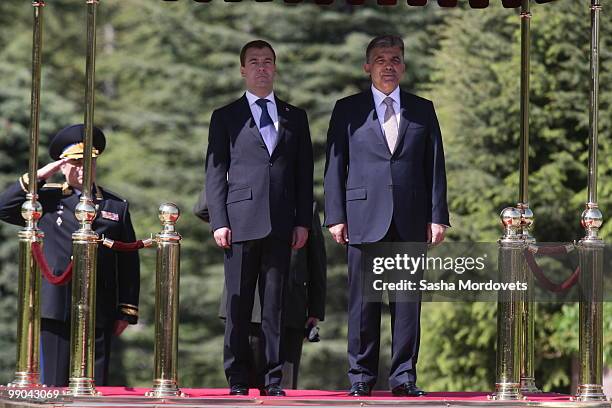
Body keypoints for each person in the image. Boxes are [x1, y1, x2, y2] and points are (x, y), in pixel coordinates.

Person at [323, 35, 449, 397]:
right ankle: (361, 377)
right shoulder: (347, 109)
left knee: (407, 304)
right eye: (380, 59)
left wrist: (437, 215)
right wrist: (336, 215)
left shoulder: (422, 109)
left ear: (404, 66)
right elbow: (334, 167)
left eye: (395, 58)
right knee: (363, 304)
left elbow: (435, 165)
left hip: (411, 218)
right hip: (363, 217)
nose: (388, 65)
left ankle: (404, 377)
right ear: (367, 67)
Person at [205, 40, 314, 396]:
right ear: (242, 69)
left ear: (275, 68)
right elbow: (215, 173)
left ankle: (272, 380)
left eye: (268, 62)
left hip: (281, 224)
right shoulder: (225, 117)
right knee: (238, 307)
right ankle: (237, 379)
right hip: (239, 222)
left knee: (275, 308)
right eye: (254, 62)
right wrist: (219, 220)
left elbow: (303, 174)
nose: (262, 68)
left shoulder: (295, 117)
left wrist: (303, 221)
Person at [0, 124, 140, 387]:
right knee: (54, 382)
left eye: (89, 161)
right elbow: (5, 208)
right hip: (57, 304)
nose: (83, 168)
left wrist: (127, 309)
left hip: (99, 304)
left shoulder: (114, 206)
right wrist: (42, 174)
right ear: (63, 166)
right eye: (75, 162)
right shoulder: (48, 199)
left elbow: (128, 260)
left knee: (96, 385)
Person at [194, 194, 326, 390]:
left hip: (289, 311)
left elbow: (316, 261)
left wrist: (315, 310)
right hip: (247, 311)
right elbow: (203, 209)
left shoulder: (303, 206)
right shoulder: (240, 199)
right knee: (243, 388)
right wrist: (230, 172)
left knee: (283, 389)